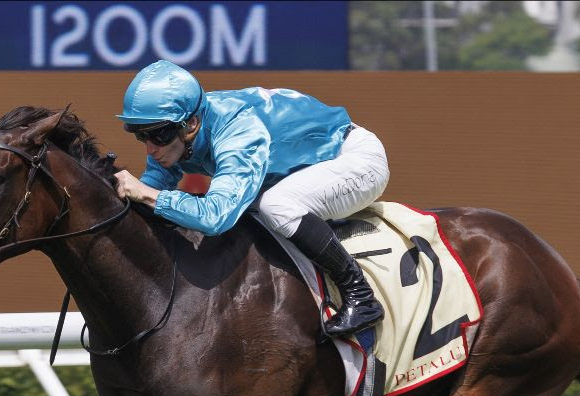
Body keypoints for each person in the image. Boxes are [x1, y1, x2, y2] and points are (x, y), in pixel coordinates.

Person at [112, 60, 388, 338]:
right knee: (259, 207)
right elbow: (146, 194)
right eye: (141, 136)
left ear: (191, 124)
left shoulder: (237, 130)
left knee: (274, 205)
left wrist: (149, 195)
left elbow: (214, 216)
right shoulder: (178, 135)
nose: (150, 148)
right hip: (309, 168)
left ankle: (361, 296)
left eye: (158, 134)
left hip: (357, 160)